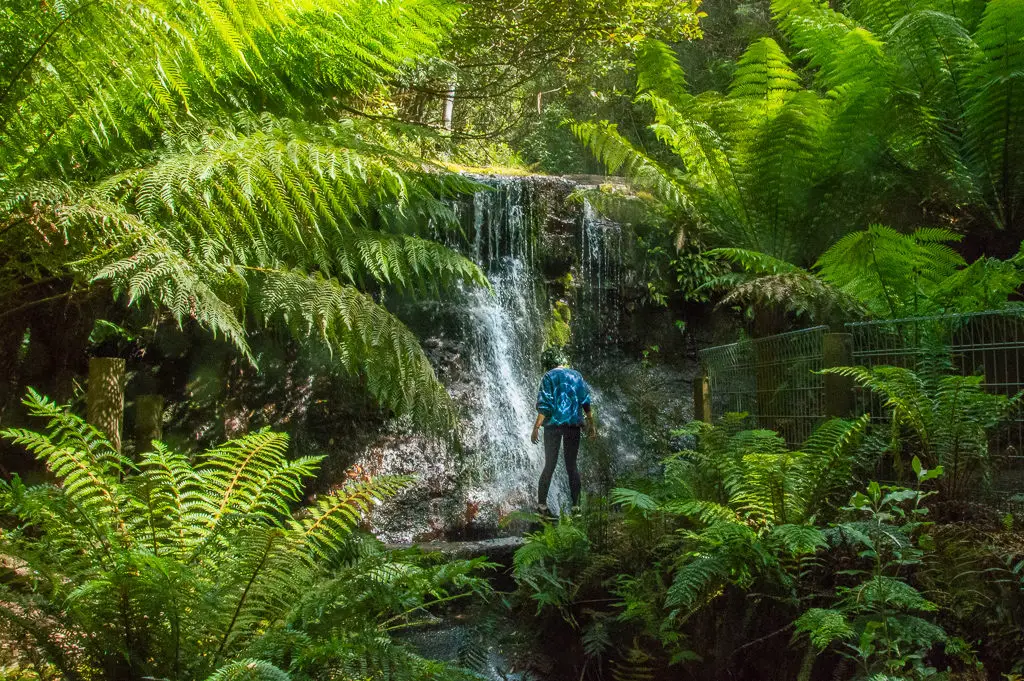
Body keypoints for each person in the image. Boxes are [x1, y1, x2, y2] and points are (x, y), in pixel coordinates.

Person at [531, 347, 596, 515]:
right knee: (572, 466)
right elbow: (585, 401)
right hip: (573, 425)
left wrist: (536, 427)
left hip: (553, 425)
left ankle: (542, 505)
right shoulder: (576, 376)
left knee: (549, 465)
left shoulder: (548, 376)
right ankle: (576, 507)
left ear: (547, 362)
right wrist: (591, 423)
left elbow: (546, 404)